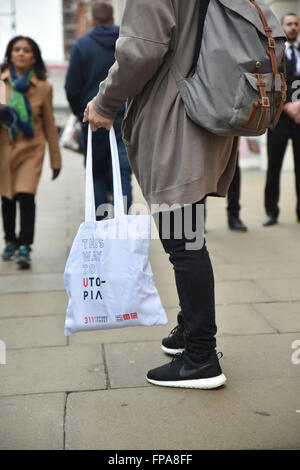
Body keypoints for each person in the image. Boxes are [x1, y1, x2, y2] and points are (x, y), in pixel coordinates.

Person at [84, 0, 238, 389]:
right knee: (189, 235)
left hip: (177, 126)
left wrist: (105, 103)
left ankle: (201, 357)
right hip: (208, 116)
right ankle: (190, 330)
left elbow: (140, 49)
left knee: (183, 243)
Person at [65, 1, 132, 218]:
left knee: (96, 174)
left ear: (91, 20)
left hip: (93, 117)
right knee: (122, 172)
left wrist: (81, 113)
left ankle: (101, 225)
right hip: (125, 116)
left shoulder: (82, 45)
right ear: (113, 19)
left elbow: (72, 87)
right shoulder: (127, 41)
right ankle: (122, 223)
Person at [0, 36, 62, 269]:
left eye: (26, 50)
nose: (21, 53)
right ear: (10, 54)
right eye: (16, 49)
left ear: (33, 56)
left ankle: (25, 245)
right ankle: (10, 241)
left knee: (26, 195)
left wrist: (55, 160)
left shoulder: (44, 87)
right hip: (5, 148)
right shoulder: (1, 83)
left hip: (32, 148)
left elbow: (48, 124)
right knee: (7, 197)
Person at [263, 13, 300, 226]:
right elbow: (269, 81)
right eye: (289, 24)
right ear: (282, 26)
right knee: (274, 167)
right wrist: (287, 105)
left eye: (296, 24)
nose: (293, 27)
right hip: (278, 118)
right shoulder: (274, 52)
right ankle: (271, 211)